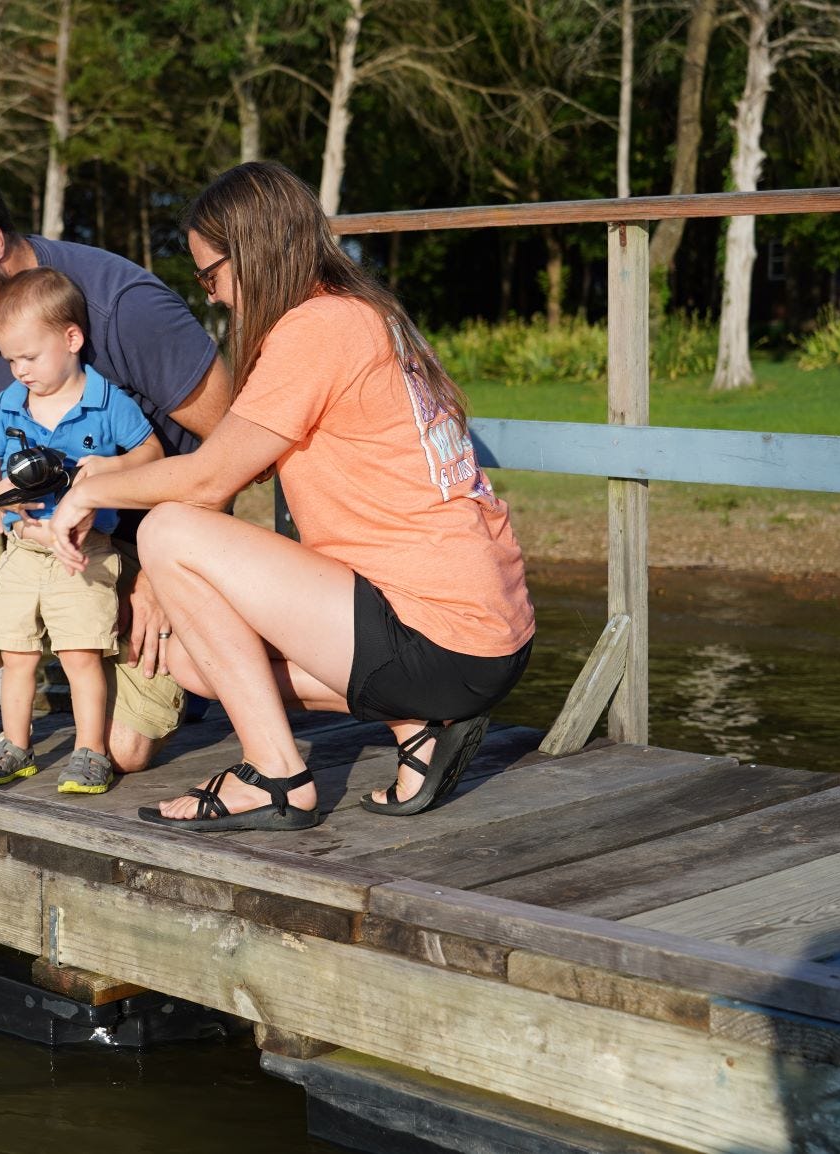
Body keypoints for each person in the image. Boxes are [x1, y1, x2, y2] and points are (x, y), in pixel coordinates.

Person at [47, 161, 535, 829]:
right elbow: (240, 463)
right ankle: (419, 724)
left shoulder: (317, 328)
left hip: (441, 634)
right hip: (485, 634)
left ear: (251, 254)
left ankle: (275, 776)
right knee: (193, 661)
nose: (212, 297)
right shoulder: (364, 314)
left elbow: (210, 477)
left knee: (167, 533)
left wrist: (91, 489)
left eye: (210, 276)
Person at [0, 160, 232, 770]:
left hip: (156, 535)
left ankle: (166, 659)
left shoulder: (122, 305)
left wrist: (159, 579)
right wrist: (15, 516)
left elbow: (235, 446)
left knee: (126, 752)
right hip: (51, 536)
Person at [0, 269, 164, 793]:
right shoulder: (8, 403)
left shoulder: (109, 402)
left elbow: (151, 454)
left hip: (86, 550)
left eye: (29, 357)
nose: (19, 370)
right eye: (10, 359)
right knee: (16, 652)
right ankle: (16, 744)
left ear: (72, 339)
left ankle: (89, 752)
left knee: (80, 653)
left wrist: (107, 468)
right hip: (23, 549)